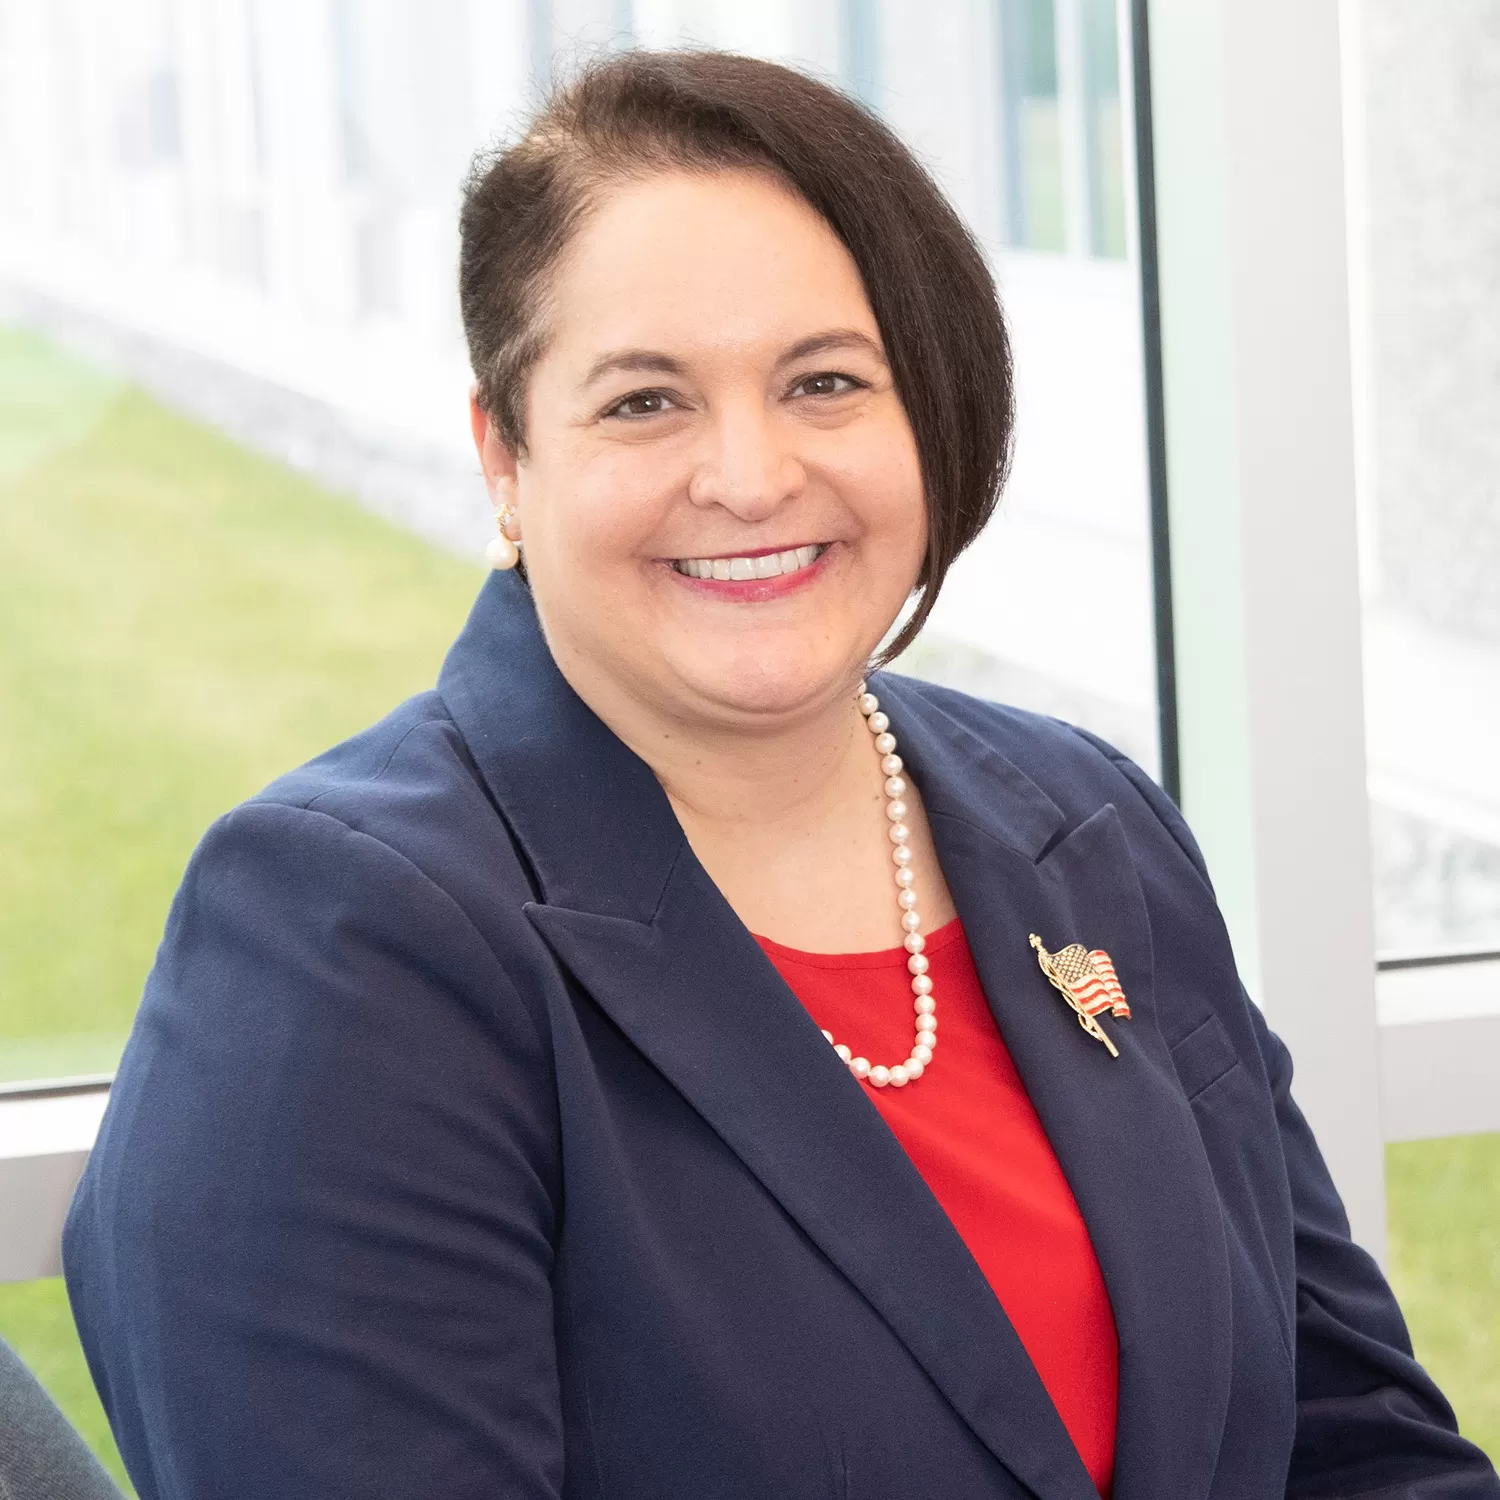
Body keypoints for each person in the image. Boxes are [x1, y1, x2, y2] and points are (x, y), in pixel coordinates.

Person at [62, 48, 1498, 1500]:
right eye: (645, 402)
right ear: (504, 457)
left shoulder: (1090, 827)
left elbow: (1355, 1446)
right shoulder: (343, 947)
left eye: (825, 382)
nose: (750, 476)